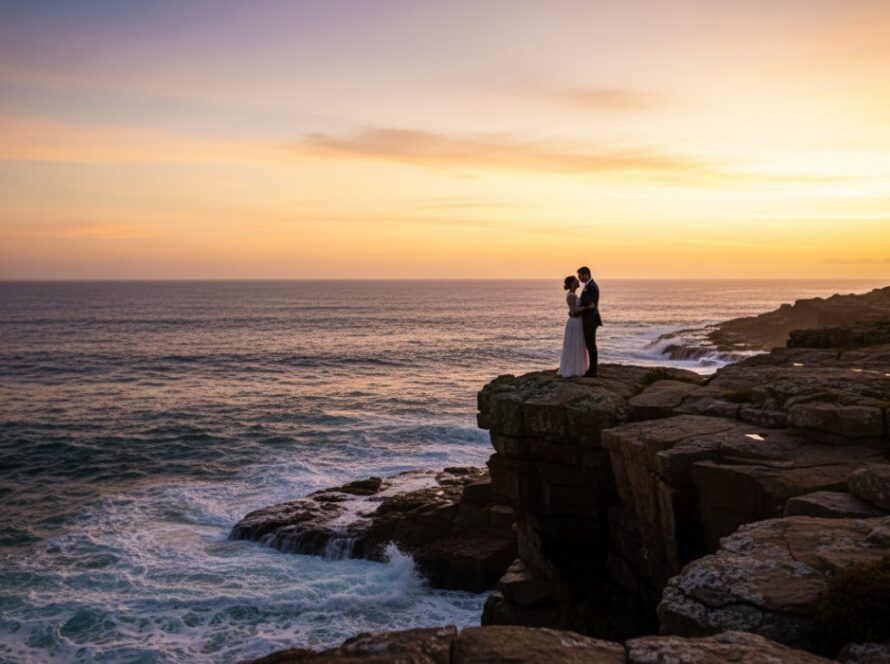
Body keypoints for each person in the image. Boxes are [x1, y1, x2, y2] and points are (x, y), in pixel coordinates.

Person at [558, 275, 592, 377]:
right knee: (575, 344)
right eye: (576, 280)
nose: (578, 281)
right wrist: (587, 307)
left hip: (577, 321)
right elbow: (574, 310)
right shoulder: (571, 296)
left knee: (577, 344)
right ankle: (574, 368)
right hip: (575, 322)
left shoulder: (573, 294)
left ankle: (576, 367)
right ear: (573, 283)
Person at [576, 266, 603, 378]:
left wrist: (577, 307)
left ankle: (592, 371)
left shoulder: (591, 287)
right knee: (590, 345)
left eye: (580, 276)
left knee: (591, 345)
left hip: (590, 320)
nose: (579, 278)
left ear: (586, 274)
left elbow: (587, 303)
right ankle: (592, 370)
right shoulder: (590, 285)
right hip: (590, 319)